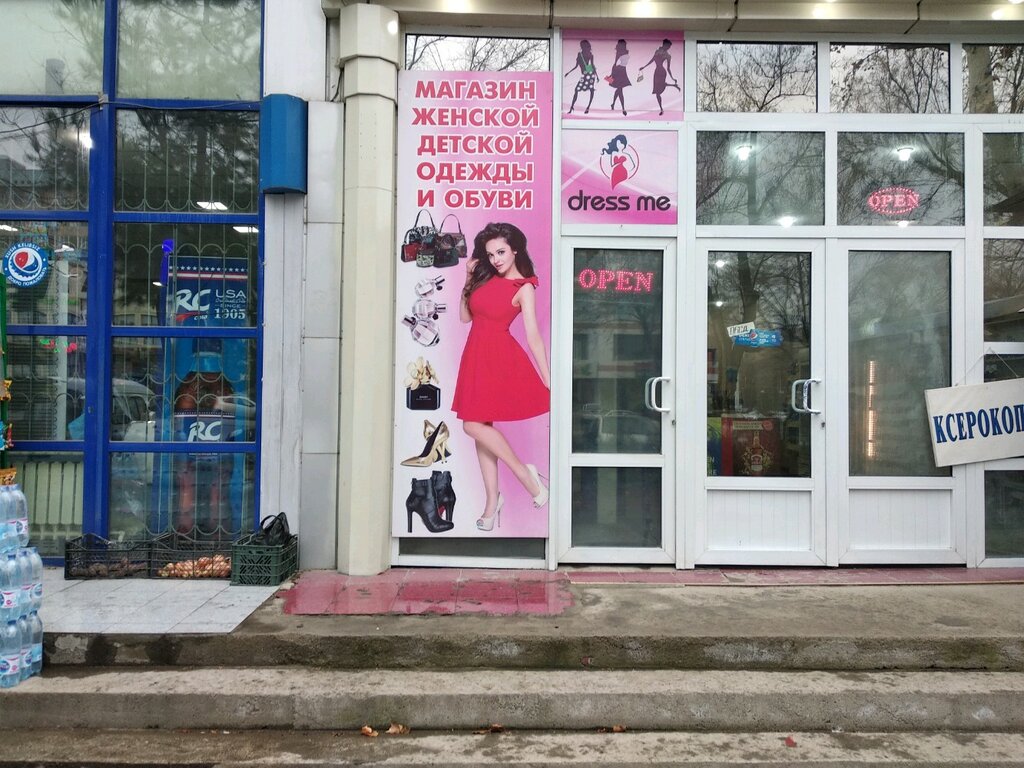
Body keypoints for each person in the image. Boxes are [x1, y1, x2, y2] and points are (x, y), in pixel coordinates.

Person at [452, 222, 550, 531]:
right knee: (480, 428)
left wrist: (547, 378)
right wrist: (468, 278)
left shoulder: (524, 287)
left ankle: (525, 475)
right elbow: (464, 317)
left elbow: (533, 336)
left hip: (499, 359)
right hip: (474, 357)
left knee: (472, 425)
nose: (495, 259)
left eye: (501, 252)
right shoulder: (483, 278)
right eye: (491, 254)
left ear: (515, 250)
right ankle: (492, 503)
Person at [638, 39, 679, 116]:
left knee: (658, 91)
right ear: (664, 44)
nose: (668, 48)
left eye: (669, 47)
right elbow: (652, 60)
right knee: (658, 91)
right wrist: (644, 67)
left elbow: (668, 68)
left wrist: (672, 78)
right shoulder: (658, 51)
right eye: (668, 46)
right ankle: (673, 86)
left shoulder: (668, 55)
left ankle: (661, 108)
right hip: (657, 72)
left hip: (661, 72)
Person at [564, 39, 597, 114]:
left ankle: (585, 107)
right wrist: (569, 72)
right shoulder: (584, 54)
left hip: (588, 74)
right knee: (581, 89)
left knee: (585, 89)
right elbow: (591, 66)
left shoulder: (585, 55)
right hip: (589, 73)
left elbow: (591, 65)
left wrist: (568, 72)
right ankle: (574, 107)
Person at [608, 39, 631, 116]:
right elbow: (616, 63)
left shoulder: (623, 52)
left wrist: (612, 74)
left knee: (619, 89)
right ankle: (623, 108)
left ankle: (613, 104)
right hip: (619, 70)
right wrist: (612, 74)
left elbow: (617, 62)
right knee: (620, 90)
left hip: (622, 70)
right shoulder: (621, 52)